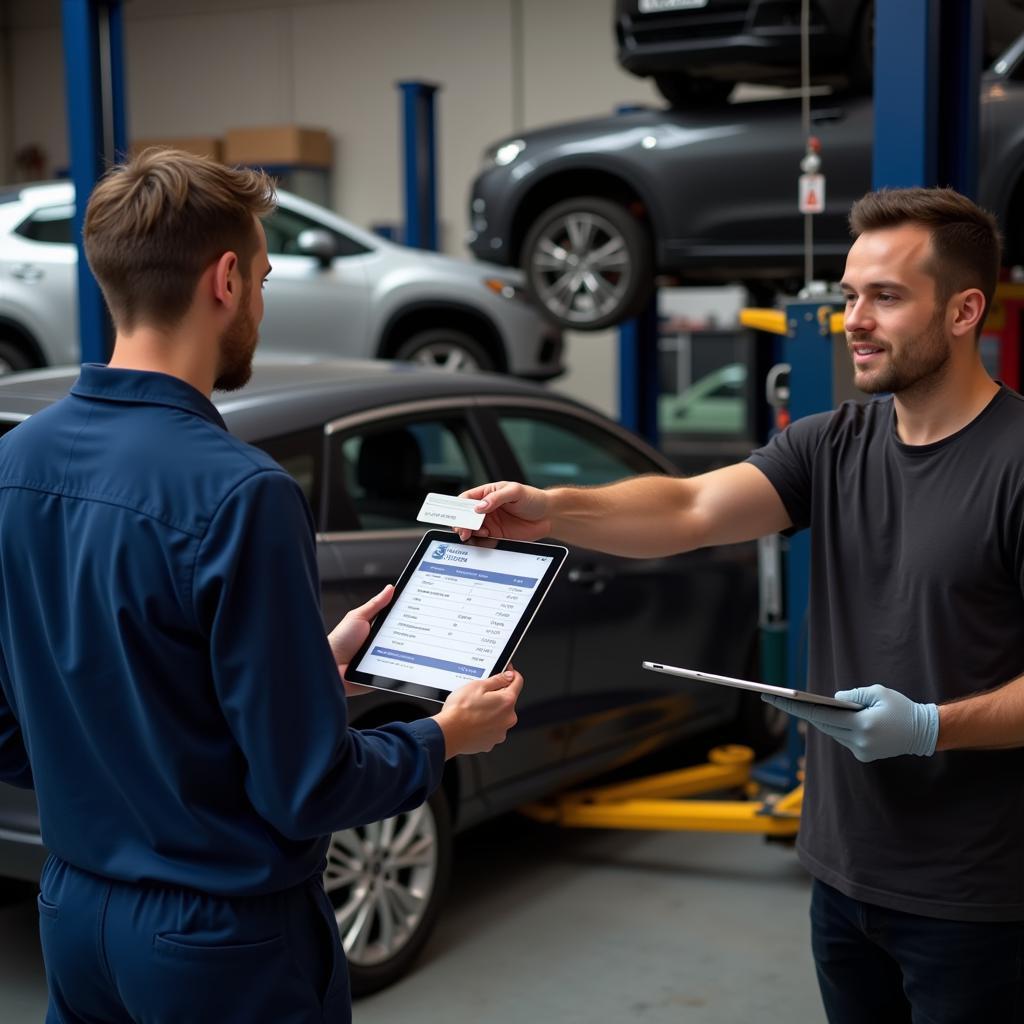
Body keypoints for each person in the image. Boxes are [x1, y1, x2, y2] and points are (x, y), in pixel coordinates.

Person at [457, 187, 1024, 1022]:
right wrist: (555, 508)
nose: (854, 320)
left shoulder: (1016, 463)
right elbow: (688, 510)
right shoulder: (830, 445)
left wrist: (934, 725)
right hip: (840, 874)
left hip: (977, 897)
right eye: (849, 295)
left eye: (886, 297)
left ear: (965, 310)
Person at [0, 148, 522, 1024]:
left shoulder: (14, 464)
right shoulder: (243, 493)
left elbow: (22, 727)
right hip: (218, 943)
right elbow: (306, 789)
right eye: (268, 277)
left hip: (75, 916)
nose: (262, 303)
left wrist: (307, 671)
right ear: (228, 279)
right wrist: (443, 737)